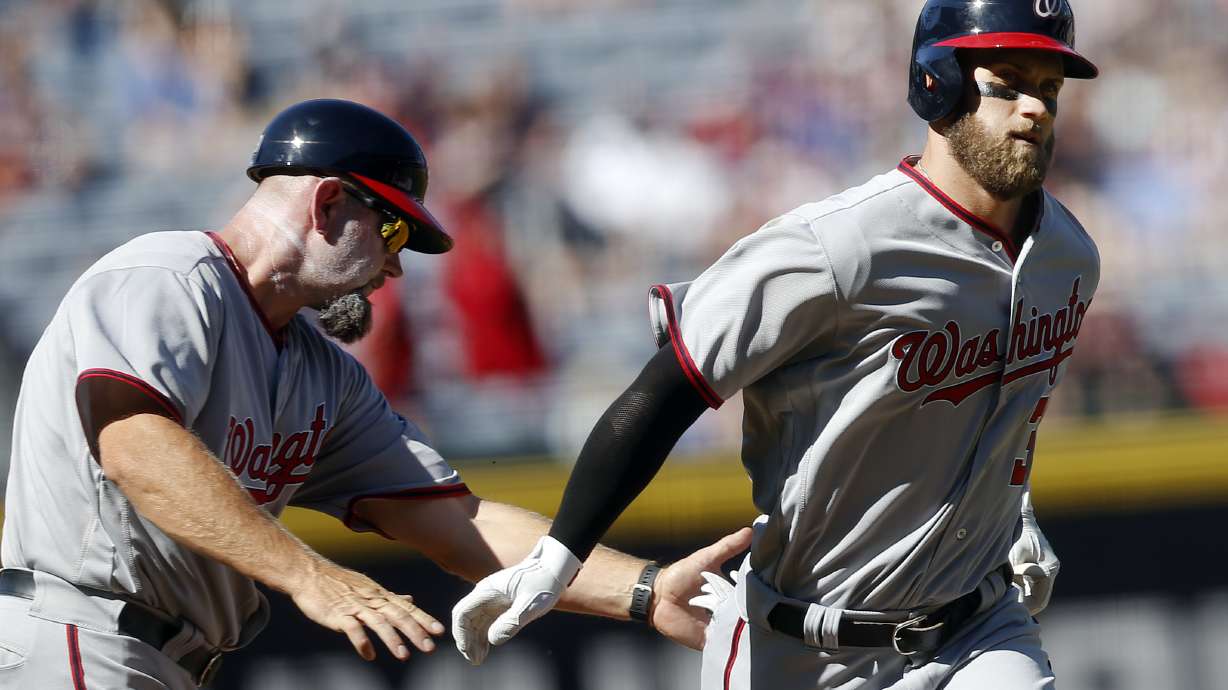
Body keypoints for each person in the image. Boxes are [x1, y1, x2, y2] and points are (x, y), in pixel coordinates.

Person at [452, 1, 1099, 688]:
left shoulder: (1068, 255)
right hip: (803, 643)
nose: (1035, 107)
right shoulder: (838, 246)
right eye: (1007, 84)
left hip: (979, 629)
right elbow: (670, 388)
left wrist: (1009, 510)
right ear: (936, 83)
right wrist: (561, 554)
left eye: (1048, 88)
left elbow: (999, 407)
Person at [0, 98, 751, 689]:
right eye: (392, 232)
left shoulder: (323, 376)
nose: (395, 268)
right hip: (76, 634)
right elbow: (135, 445)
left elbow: (461, 525)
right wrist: (308, 573)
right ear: (327, 204)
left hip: (153, 661)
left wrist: (646, 589)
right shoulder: (167, 278)